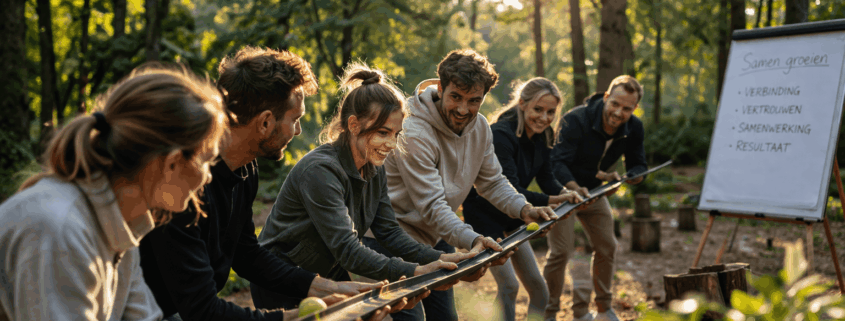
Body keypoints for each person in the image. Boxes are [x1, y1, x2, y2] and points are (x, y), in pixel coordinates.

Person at [139, 47, 390, 321]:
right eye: (295, 119)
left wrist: (327, 287)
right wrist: (291, 318)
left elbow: (246, 254)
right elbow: (203, 311)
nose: (298, 131)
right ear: (265, 122)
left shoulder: (245, 169)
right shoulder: (183, 184)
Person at [0, 66, 230, 320]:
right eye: (206, 161)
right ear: (172, 163)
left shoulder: (123, 224)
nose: (208, 176)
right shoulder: (61, 230)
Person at [252, 63, 475, 312]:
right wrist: (415, 271)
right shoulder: (320, 171)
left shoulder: (374, 167)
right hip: (282, 278)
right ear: (354, 125)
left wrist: (440, 258)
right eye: (383, 132)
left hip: (326, 271)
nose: (392, 144)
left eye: (396, 134)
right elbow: (348, 249)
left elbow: (389, 232)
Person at [374, 49, 558, 321]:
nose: (463, 109)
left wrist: (525, 209)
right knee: (410, 318)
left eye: (474, 101)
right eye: (456, 97)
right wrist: (474, 240)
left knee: (446, 318)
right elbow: (432, 205)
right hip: (392, 238)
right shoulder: (413, 131)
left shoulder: (480, 127)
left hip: (435, 236)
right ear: (440, 88)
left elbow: (492, 182)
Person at [462, 77, 583, 321]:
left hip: (515, 216)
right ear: (522, 104)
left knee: (539, 289)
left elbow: (546, 177)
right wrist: (551, 200)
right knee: (509, 286)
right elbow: (510, 188)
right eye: (538, 109)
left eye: (551, 112)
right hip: (485, 216)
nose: (544, 117)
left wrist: (564, 193)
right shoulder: (501, 134)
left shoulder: (544, 134)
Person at [545, 75, 648, 321]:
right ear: (606, 97)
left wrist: (633, 177)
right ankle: (548, 313)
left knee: (608, 246)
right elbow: (557, 163)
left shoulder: (634, 127)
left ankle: (603, 309)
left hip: (593, 191)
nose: (619, 112)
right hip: (562, 191)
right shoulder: (575, 119)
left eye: (627, 108)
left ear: (634, 108)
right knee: (561, 252)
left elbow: (638, 163)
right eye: (615, 104)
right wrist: (573, 188)